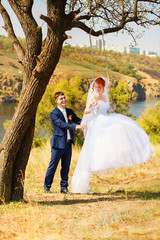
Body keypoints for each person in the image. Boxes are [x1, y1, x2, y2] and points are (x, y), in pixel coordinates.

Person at [71, 77, 152, 194]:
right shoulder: (93, 97)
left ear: (104, 87)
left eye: (101, 87)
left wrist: (111, 108)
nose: (99, 89)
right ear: (94, 87)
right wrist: (93, 107)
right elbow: (86, 112)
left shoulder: (104, 97)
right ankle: (80, 186)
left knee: (122, 126)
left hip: (105, 119)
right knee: (90, 152)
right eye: (97, 87)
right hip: (98, 122)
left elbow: (106, 110)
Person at [44, 91, 86, 194]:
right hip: (58, 144)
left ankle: (64, 188)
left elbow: (78, 120)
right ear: (56, 101)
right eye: (61, 99)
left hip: (68, 143)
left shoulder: (70, 111)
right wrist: (75, 127)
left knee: (66, 167)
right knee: (53, 166)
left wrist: (87, 122)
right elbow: (62, 124)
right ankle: (47, 187)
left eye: (64, 98)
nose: (63, 100)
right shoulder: (53, 114)